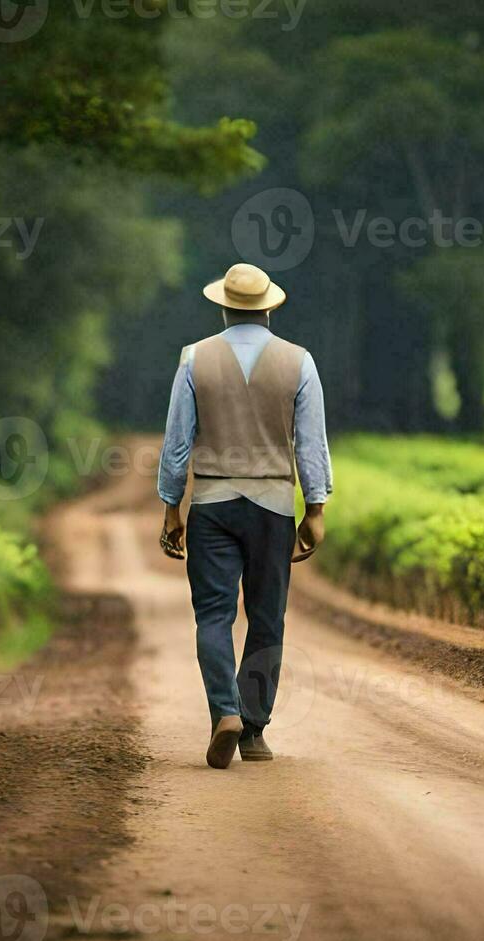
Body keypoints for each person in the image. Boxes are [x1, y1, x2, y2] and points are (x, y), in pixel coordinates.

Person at [156, 262, 332, 770]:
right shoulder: (299, 363)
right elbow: (311, 444)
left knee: (214, 615)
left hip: (211, 505)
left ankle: (224, 713)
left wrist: (172, 507)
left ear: (224, 306)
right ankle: (253, 730)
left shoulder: (194, 359)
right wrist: (315, 508)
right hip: (273, 507)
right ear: (271, 307)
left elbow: (177, 442)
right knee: (266, 617)